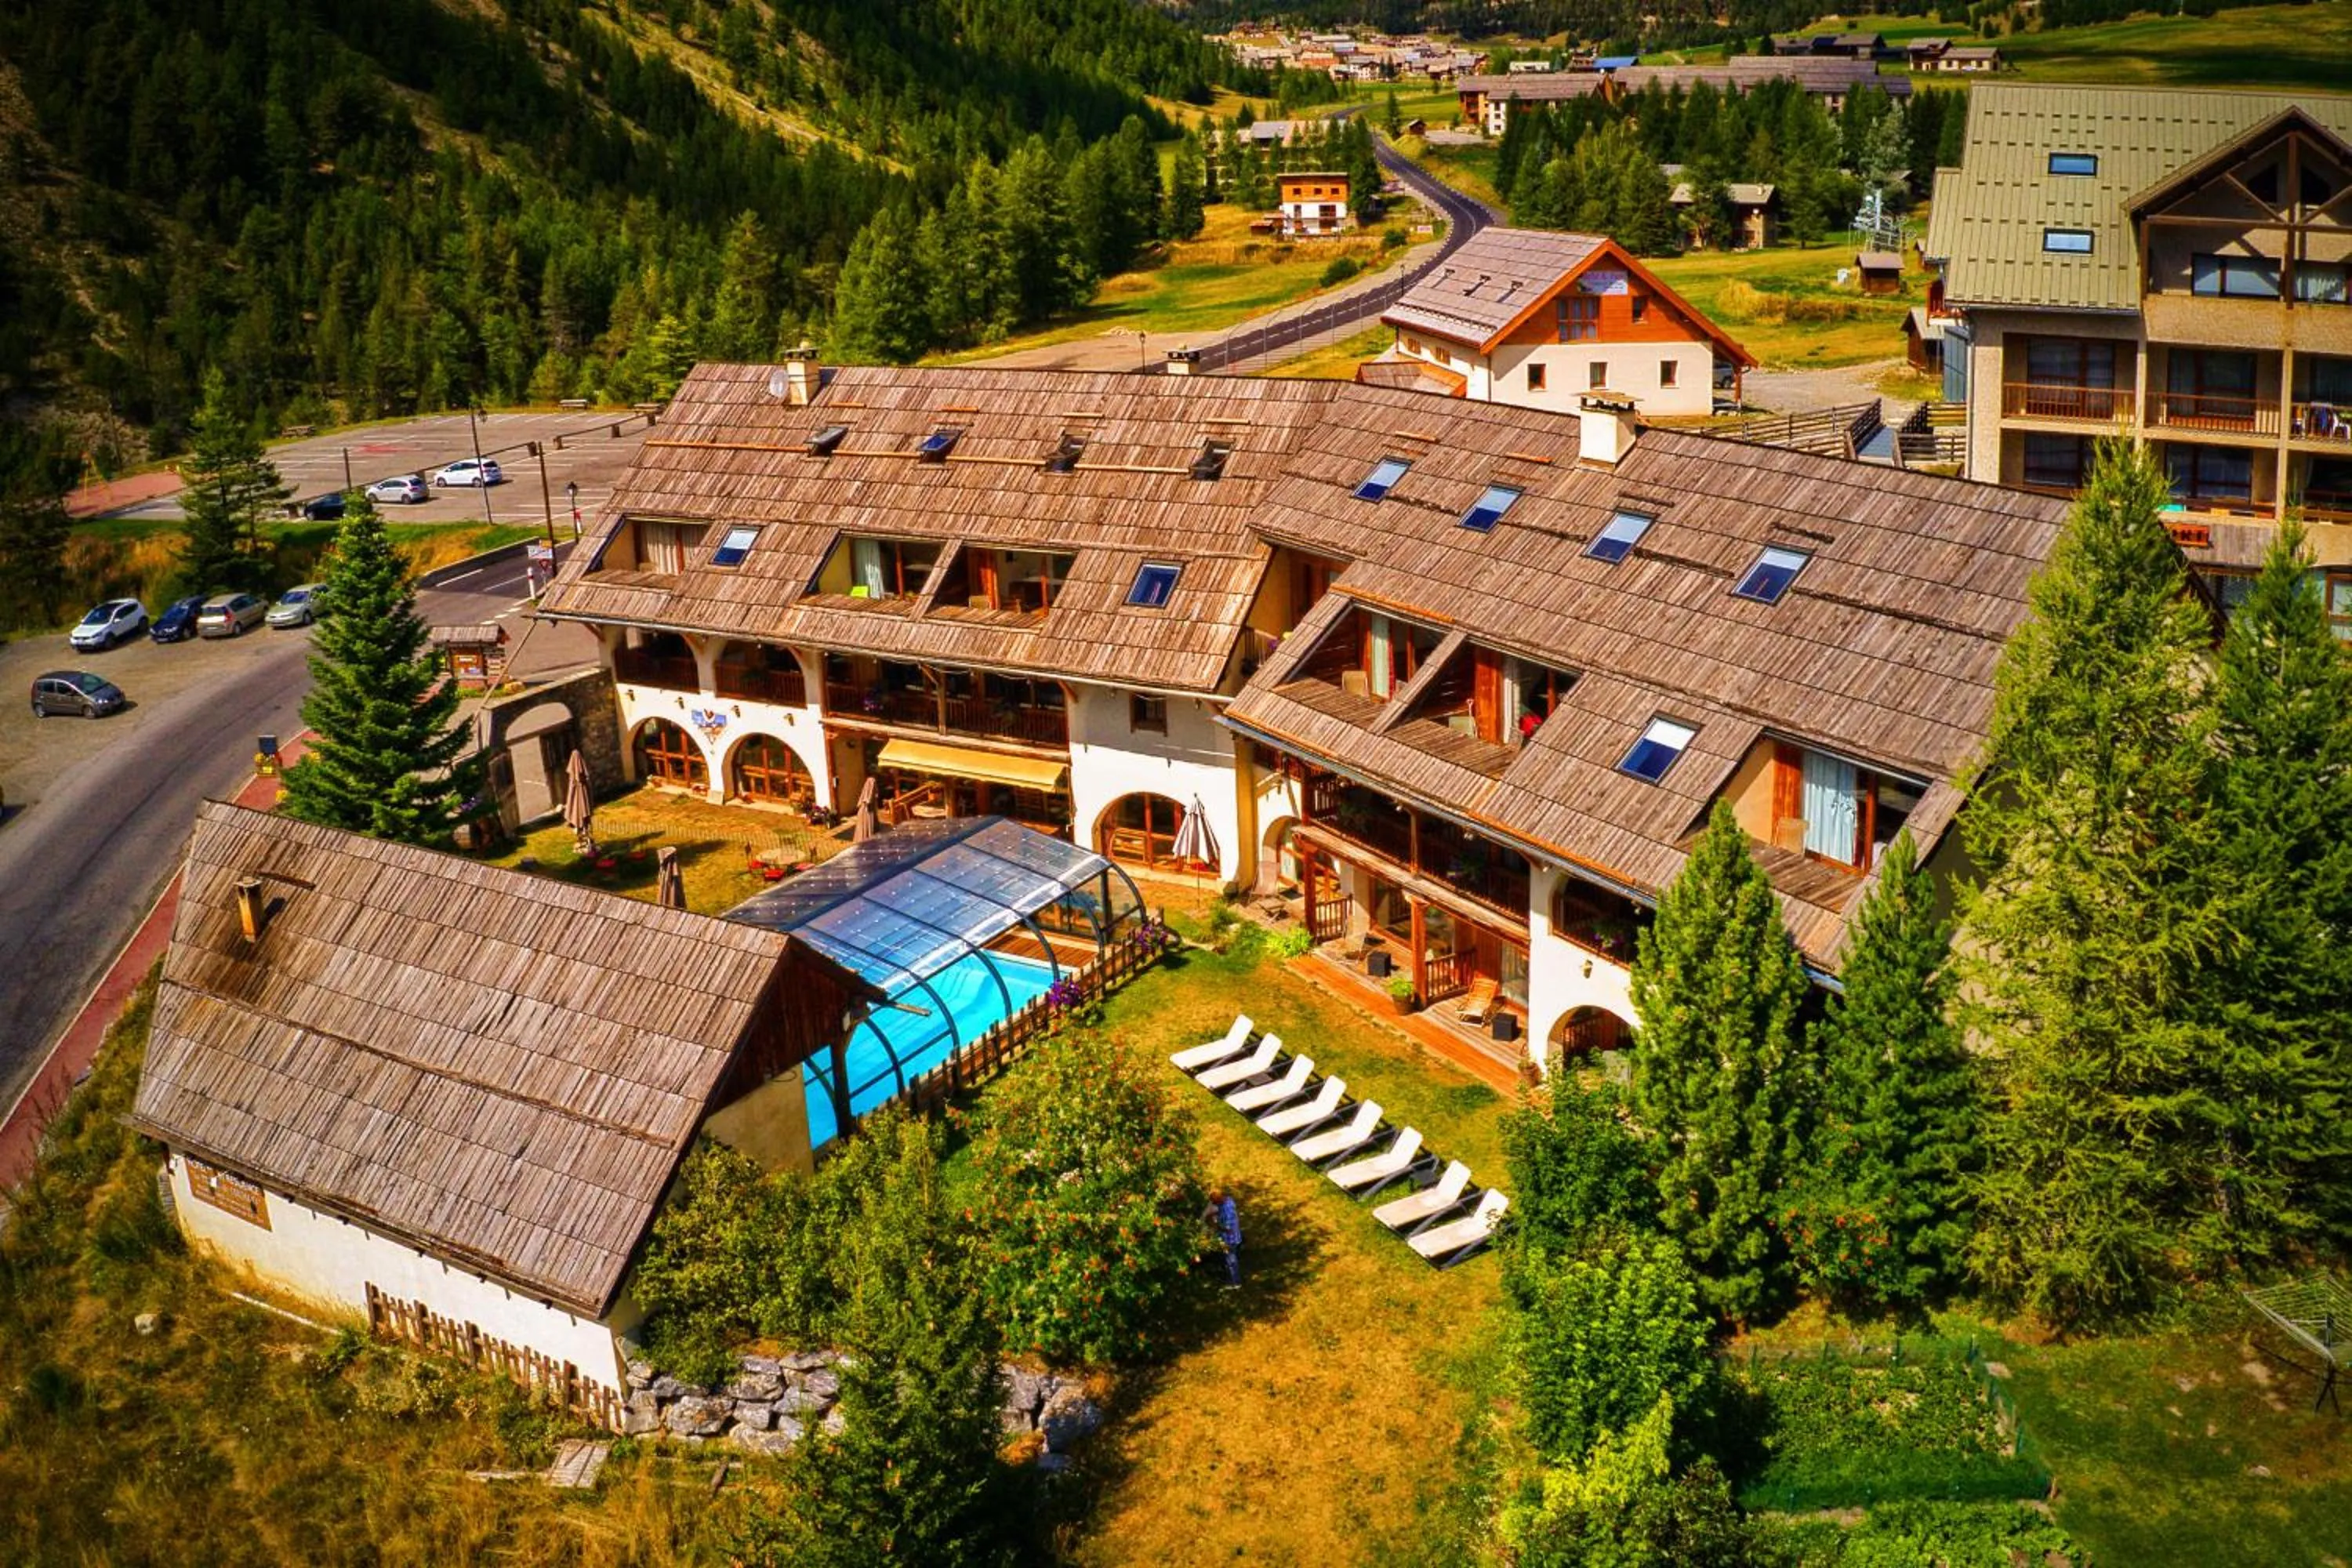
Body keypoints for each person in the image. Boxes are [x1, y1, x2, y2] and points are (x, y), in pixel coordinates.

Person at [1206, 1188, 1242, 1289]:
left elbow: (1228, 1229)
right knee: (1230, 1259)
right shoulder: (1229, 1200)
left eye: (1214, 1202)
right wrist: (1216, 1214)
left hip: (1230, 1240)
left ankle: (1235, 1282)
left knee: (1231, 1261)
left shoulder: (1227, 1213)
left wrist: (1215, 1224)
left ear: (1219, 1199)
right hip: (1233, 1237)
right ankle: (1233, 1279)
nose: (1213, 1204)